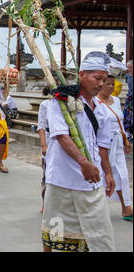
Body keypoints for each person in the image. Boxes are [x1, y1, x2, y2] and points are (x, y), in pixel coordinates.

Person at [42, 51, 116, 252]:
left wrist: (108, 173)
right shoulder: (61, 101)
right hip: (63, 180)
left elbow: (102, 146)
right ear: (81, 75)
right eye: (97, 78)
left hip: (92, 181)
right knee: (55, 233)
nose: (101, 84)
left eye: (104, 79)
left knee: (101, 237)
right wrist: (83, 162)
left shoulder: (101, 109)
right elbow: (61, 136)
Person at [98, 74, 133, 221]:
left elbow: (120, 122)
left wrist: (125, 140)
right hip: (103, 144)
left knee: (123, 175)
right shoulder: (95, 102)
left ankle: (126, 207)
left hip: (117, 141)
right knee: (102, 175)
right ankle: (97, 207)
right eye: (108, 84)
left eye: (113, 84)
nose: (111, 87)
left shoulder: (117, 101)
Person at [37, 86, 52, 213]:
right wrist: (43, 145)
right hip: (49, 138)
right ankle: (45, 202)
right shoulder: (45, 104)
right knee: (46, 175)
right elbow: (41, 125)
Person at [123, 60, 133, 141]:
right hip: (130, 98)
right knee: (127, 116)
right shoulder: (127, 76)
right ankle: (128, 134)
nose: (130, 69)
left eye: (132, 67)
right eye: (129, 67)